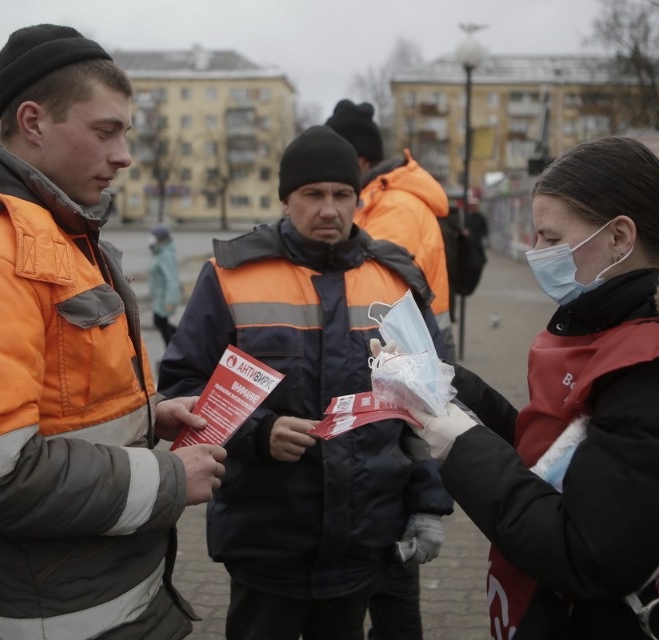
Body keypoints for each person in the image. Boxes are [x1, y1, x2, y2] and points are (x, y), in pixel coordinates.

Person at [0, 24, 227, 639]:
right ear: (33, 122)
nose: (124, 155)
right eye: (105, 131)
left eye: (125, 133)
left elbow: (63, 406)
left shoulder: (57, 236)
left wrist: (151, 418)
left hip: (103, 603)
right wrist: (168, 477)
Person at [405, 136, 659, 639]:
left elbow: (587, 552)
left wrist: (459, 448)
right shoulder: (637, 321)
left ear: (621, 236)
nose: (535, 253)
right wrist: (461, 391)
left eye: (550, 238)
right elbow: (565, 462)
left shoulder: (656, 368)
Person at [157, 125, 453, 640]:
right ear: (285, 200)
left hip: (365, 532)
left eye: (342, 195)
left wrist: (427, 502)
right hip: (266, 533)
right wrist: (259, 432)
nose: (329, 209)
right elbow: (186, 384)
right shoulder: (230, 275)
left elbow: (428, 407)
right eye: (312, 195)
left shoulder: (397, 281)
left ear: (358, 200)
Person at [326, 99, 453, 640]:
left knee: (391, 588)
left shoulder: (395, 209)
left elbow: (375, 297)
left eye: (335, 178)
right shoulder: (386, 199)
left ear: (357, 162)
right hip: (401, 366)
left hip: (402, 368)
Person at [326, 99, 455, 362]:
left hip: (416, 347)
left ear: (359, 160)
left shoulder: (395, 207)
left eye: (333, 160)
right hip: (408, 341)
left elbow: (379, 291)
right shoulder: (376, 200)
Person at [149, 223, 183, 346]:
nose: (151, 238)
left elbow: (172, 279)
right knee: (160, 323)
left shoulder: (166, 255)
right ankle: (181, 341)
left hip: (164, 298)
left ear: (161, 238)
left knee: (160, 323)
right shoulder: (159, 252)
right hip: (159, 297)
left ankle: (174, 347)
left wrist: (170, 301)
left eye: (154, 236)